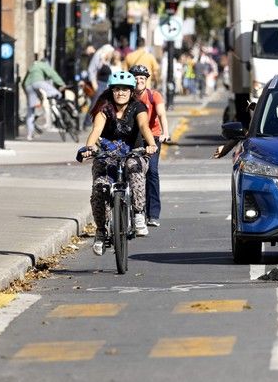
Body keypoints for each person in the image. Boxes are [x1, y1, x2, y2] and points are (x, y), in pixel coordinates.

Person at [78, 71, 158, 254]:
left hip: (134, 153)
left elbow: (144, 126)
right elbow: (96, 130)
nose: (120, 93)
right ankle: (100, 232)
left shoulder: (138, 107)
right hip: (108, 155)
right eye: (117, 89)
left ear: (131, 91)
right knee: (100, 187)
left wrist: (151, 145)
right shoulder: (105, 109)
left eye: (125, 89)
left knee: (133, 168)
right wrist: (89, 147)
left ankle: (138, 214)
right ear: (111, 91)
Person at [131, 65, 170, 227]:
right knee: (132, 171)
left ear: (146, 80)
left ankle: (153, 214)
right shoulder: (127, 95)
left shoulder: (154, 95)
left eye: (142, 78)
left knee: (152, 171)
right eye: (136, 78)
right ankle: (133, 211)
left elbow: (161, 114)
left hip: (152, 137)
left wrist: (165, 133)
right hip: (134, 137)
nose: (139, 81)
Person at [22, 55, 66, 141]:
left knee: (30, 110)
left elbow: (24, 82)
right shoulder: (43, 64)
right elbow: (52, 74)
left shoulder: (32, 66)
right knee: (57, 93)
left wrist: (27, 93)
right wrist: (61, 84)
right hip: (38, 82)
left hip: (28, 86)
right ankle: (57, 104)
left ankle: (29, 134)